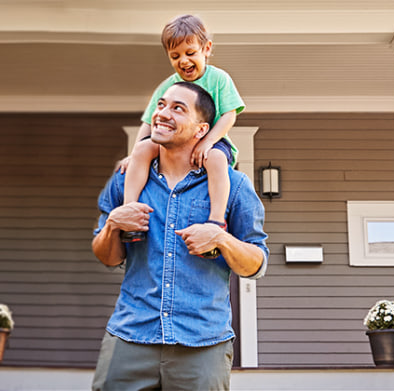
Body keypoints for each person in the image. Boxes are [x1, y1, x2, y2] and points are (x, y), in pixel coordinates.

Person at [91, 81, 268, 391]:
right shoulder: (126, 181)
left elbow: (257, 263)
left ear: (202, 130)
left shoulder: (234, 186)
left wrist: (221, 238)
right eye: (160, 105)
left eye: (177, 108)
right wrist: (112, 226)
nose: (162, 114)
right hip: (130, 336)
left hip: (202, 343)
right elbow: (107, 256)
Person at [120, 14, 244, 247]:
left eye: (190, 53)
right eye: (175, 56)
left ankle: (216, 221)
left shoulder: (219, 79)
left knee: (216, 157)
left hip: (212, 139)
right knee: (143, 149)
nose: (183, 61)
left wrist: (208, 142)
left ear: (206, 49)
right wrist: (134, 151)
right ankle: (131, 212)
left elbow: (229, 114)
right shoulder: (168, 85)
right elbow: (149, 121)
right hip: (174, 141)